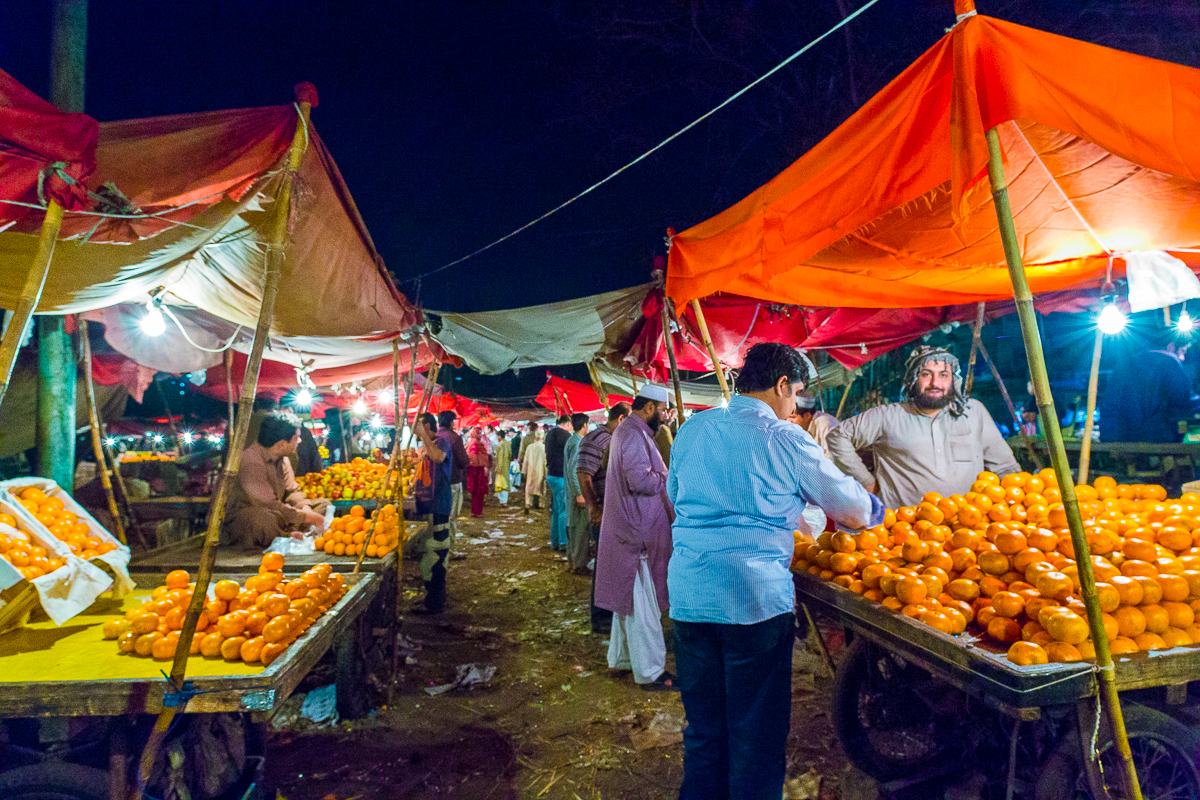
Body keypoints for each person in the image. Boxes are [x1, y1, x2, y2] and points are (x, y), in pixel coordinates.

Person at [668, 343, 883, 799]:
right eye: (797, 393)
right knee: (756, 739)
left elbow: (675, 493)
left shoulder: (693, 428)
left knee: (705, 732)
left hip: (690, 595)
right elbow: (851, 509)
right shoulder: (784, 437)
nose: (796, 406)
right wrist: (880, 510)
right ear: (782, 384)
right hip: (753, 602)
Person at [826, 346, 1021, 508]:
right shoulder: (888, 415)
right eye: (926, 375)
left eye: (943, 375)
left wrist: (1018, 502)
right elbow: (837, 436)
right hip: (904, 531)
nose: (935, 383)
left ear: (953, 381)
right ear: (912, 380)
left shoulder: (973, 412)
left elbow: (1005, 468)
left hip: (968, 529)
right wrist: (867, 483)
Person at [595, 385, 675, 690]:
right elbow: (639, 479)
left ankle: (622, 659)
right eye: (664, 410)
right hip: (635, 533)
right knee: (642, 606)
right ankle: (651, 671)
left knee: (629, 601)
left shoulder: (632, 431)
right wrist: (666, 476)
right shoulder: (632, 433)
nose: (666, 416)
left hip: (633, 528)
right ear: (651, 407)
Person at [224, 416, 326, 549]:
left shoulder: (283, 460)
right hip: (246, 518)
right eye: (295, 438)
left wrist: (306, 509)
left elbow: (292, 491)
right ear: (280, 444)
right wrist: (304, 517)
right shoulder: (251, 461)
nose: (299, 441)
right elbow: (268, 504)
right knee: (263, 520)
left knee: (323, 505)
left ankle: (292, 534)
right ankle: (287, 536)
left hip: (279, 512)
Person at [578, 402, 631, 632]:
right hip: (604, 511)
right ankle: (601, 617)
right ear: (620, 419)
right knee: (605, 565)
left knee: (613, 564)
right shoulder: (597, 439)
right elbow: (583, 474)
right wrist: (593, 506)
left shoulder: (613, 439)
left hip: (615, 511)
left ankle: (611, 615)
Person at [1101, 328, 1196, 442]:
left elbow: (1109, 403)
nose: (1182, 357)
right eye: (1182, 351)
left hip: (1117, 439)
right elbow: (1182, 400)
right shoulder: (1171, 363)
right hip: (1156, 439)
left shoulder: (1123, 364)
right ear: (1171, 346)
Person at [411, 412, 451, 613]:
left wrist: (422, 435)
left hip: (439, 506)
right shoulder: (424, 447)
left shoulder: (442, 442)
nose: (414, 430)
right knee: (427, 554)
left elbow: (437, 457)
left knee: (437, 552)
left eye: (417, 426)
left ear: (427, 426)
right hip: (425, 506)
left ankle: (436, 601)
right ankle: (430, 597)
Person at [437, 410, 470, 554]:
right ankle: (449, 549)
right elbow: (463, 461)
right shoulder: (454, 438)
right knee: (451, 517)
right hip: (452, 481)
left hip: (437, 483)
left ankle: (440, 546)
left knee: (440, 516)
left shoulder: (435, 436)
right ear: (451, 422)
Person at [563, 412, 590, 573]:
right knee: (580, 529)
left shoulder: (572, 440)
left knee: (573, 527)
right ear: (584, 425)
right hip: (576, 494)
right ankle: (579, 564)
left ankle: (573, 561)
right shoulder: (578, 443)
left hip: (571, 492)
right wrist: (579, 493)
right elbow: (574, 471)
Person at [544, 414, 572, 551]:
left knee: (556, 510)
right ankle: (563, 542)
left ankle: (554, 541)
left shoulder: (549, 434)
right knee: (563, 510)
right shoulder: (564, 435)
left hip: (551, 475)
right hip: (560, 476)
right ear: (568, 424)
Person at [466, 426, 492, 517]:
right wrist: (485, 467)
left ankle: (475, 511)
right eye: (478, 433)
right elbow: (484, 458)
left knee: (475, 492)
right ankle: (477, 511)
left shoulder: (470, 443)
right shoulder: (479, 444)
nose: (479, 434)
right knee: (479, 492)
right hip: (479, 471)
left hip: (473, 470)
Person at [522, 429, 547, 511]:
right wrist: (546, 473)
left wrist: (524, 471)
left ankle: (528, 503)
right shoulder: (544, 448)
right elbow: (545, 462)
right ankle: (541, 504)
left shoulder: (530, 447)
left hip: (530, 470)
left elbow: (525, 461)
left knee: (529, 486)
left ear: (535, 437)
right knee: (541, 487)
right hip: (540, 470)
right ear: (543, 438)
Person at [493, 430, 512, 505]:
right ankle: (505, 501)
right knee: (505, 483)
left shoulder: (501, 445)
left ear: (499, 436)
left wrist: (499, 468)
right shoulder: (508, 444)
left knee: (501, 483)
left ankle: (503, 501)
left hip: (501, 467)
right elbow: (510, 455)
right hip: (506, 466)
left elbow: (500, 457)